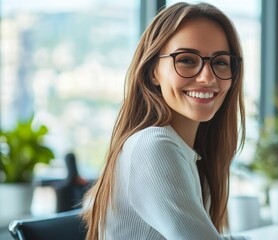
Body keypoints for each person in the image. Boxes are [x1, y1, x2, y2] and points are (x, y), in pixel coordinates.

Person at [82, 2, 248, 239]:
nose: (207, 77)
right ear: (153, 71)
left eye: (220, 62)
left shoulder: (188, 152)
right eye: (187, 60)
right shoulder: (154, 146)